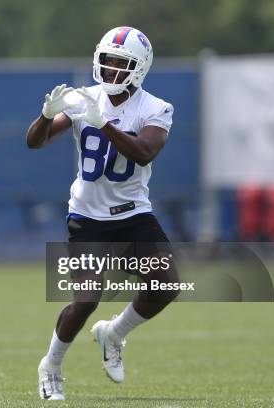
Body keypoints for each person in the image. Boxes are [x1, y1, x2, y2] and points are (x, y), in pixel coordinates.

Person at [26, 26, 181, 400]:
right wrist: (46, 116)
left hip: (132, 214)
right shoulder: (84, 99)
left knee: (166, 286)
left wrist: (103, 124)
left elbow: (144, 152)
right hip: (88, 216)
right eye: (107, 61)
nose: (111, 70)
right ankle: (51, 366)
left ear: (139, 69)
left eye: (121, 64)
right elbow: (36, 142)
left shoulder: (156, 108)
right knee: (86, 300)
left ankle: (113, 333)